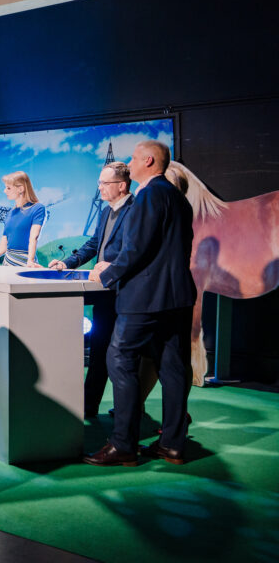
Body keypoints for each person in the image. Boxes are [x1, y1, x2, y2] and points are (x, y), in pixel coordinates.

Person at [84, 141, 196, 466]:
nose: (129, 163)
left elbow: (136, 249)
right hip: (177, 298)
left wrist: (107, 274)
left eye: (133, 158)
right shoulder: (178, 198)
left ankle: (123, 444)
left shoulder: (148, 195)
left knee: (119, 358)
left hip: (145, 298)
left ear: (148, 161)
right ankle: (172, 445)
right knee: (173, 368)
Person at [49, 161, 134, 418]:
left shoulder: (137, 210)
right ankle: (88, 407)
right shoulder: (106, 212)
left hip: (128, 294)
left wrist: (112, 268)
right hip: (105, 293)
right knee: (99, 350)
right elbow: (94, 243)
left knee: (122, 358)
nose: (100, 188)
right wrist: (67, 262)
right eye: (99, 183)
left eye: (105, 183)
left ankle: (129, 411)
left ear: (122, 185)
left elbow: (136, 251)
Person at [0, 171, 46, 267]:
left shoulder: (38, 208)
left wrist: (30, 261)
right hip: (7, 263)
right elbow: (2, 247)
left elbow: (34, 237)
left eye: (8, 188)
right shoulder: (10, 214)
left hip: (26, 262)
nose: (4, 191)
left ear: (21, 189)